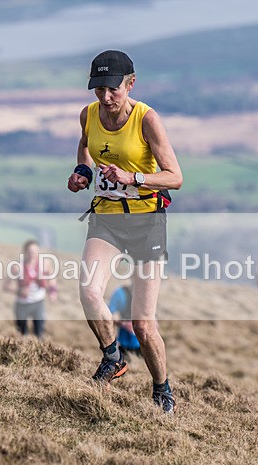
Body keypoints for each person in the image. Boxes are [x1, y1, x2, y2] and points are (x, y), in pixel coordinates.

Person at [67, 50, 183, 414]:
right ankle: (112, 357)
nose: (105, 97)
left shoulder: (147, 119)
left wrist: (133, 178)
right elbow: (85, 147)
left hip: (147, 221)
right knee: (88, 291)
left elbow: (175, 177)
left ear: (130, 83)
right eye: (98, 89)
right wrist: (82, 174)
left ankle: (162, 389)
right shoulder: (89, 114)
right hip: (108, 218)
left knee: (144, 324)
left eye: (112, 89)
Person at [3, 239, 57, 339]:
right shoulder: (17, 266)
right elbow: (6, 286)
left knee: (39, 333)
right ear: (25, 251)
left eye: (35, 251)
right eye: (30, 251)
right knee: (22, 334)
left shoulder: (45, 264)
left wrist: (53, 292)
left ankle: (39, 352)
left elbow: (52, 278)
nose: (33, 254)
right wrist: (19, 291)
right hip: (22, 304)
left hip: (38, 302)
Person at [108, 275, 141, 361]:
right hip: (124, 343)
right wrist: (123, 323)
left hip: (143, 345)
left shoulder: (148, 295)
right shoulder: (120, 293)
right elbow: (109, 315)